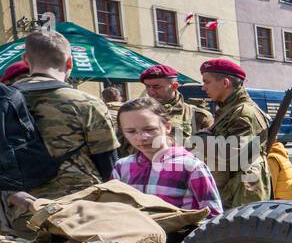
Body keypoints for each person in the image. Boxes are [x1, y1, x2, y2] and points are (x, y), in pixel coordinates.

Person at [10, 28, 118, 197]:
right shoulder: (87, 103)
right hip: (79, 202)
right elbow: (108, 163)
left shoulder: (5, 100)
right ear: (69, 63)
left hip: (19, 203)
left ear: (25, 60)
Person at [113, 96, 222, 217]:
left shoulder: (191, 167)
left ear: (168, 127)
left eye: (150, 129)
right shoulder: (122, 167)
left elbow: (214, 217)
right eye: (131, 131)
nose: (141, 137)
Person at [196, 57, 269, 207]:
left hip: (243, 190)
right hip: (232, 187)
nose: (203, 87)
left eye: (207, 82)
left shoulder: (243, 112)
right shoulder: (228, 109)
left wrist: (202, 139)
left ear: (225, 83)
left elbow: (235, 154)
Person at [139, 64, 212, 151]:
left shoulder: (197, 115)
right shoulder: (137, 114)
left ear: (174, 86)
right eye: (147, 86)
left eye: (157, 87)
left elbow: (211, 151)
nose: (151, 92)